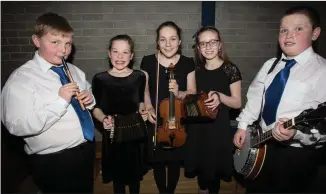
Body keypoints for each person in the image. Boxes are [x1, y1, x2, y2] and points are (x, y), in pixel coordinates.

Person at [233, 6, 326, 193]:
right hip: (261, 146)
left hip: (297, 156)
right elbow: (255, 98)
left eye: (299, 29)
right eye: (284, 30)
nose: (289, 36)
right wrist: (243, 125)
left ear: (315, 33)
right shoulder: (270, 66)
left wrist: (297, 134)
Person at [1, 12, 96, 193]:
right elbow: (15, 126)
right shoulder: (21, 79)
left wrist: (90, 99)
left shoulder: (74, 70)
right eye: (55, 43)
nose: (63, 50)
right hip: (53, 161)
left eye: (67, 44)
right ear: (36, 41)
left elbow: (89, 92)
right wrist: (60, 102)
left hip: (85, 151)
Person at [184, 26, 242, 194]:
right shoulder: (196, 71)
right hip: (198, 128)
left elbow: (237, 102)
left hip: (217, 129)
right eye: (203, 43)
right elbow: (192, 97)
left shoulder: (230, 69)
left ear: (220, 44)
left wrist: (219, 96)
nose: (208, 47)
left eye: (212, 42)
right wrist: (179, 94)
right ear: (199, 48)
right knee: (201, 168)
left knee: (213, 171)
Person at [140, 21, 196, 194]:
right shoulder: (148, 61)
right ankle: (162, 191)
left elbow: (192, 92)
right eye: (163, 40)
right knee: (157, 160)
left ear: (179, 41)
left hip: (177, 119)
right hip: (156, 118)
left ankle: (169, 191)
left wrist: (179, 93)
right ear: (157, 42)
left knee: (174, 161)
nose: (168, 44)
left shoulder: (188, 62)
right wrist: (148, 107)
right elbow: (144, 89)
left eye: (173, 39)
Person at [92, 34, 150, 194]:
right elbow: (95, 107)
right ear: (109, 53)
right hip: (113, 134)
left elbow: (140, 102)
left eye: (125, 52)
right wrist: (103, 119)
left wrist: (143, 112)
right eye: (115, 51)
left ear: (131, 56)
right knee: (118, 180)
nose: (120, 56)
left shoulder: (139, 76)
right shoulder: (100, 79)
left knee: (134, 180)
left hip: (134, 134)